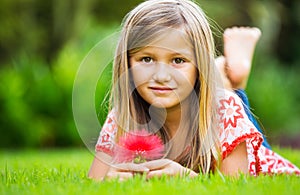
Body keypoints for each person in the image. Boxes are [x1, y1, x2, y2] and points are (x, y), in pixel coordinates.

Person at [88, 0, 300, 181]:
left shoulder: (225, 110)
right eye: (146, 59)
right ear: (127, 65)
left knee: (231, 102)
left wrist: (187, 177)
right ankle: (227, 77)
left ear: (199, 67)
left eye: (178, 60)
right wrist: (111, 176)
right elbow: (94, 180)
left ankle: (234, 78)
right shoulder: (123, 115)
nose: (161, 76)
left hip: (253, 155)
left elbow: (236, 186)